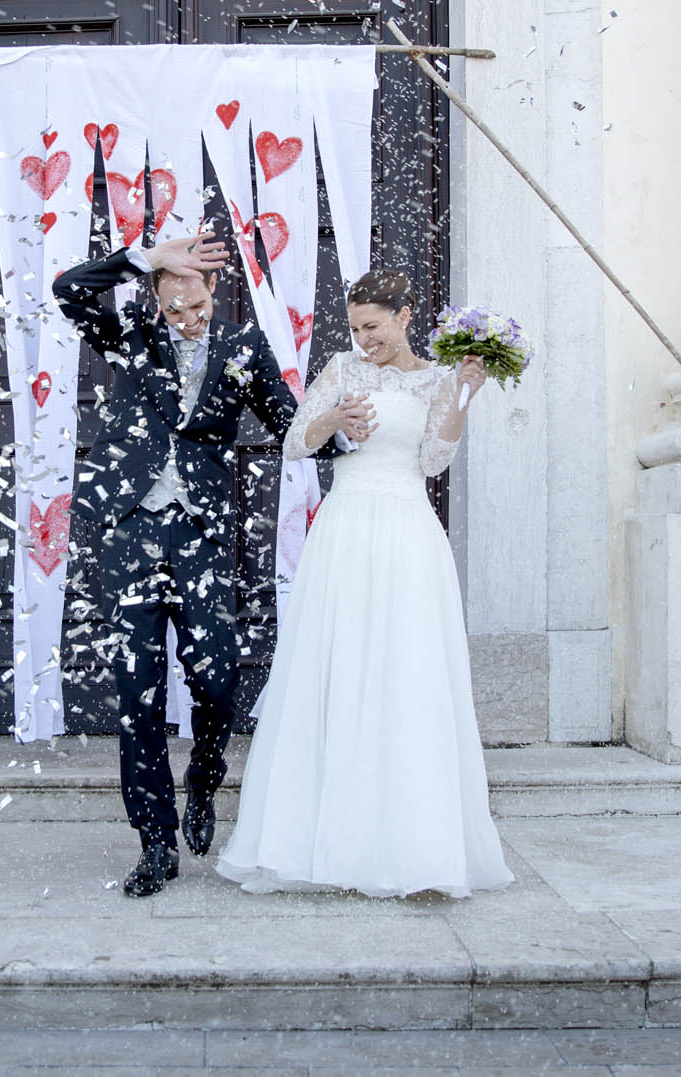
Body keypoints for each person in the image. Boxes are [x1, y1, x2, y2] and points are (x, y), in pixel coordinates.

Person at [217, 269, 514, 897]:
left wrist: (463, 396)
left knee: (406, 672)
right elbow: (296, 441)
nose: (363, 339)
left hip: (407, 530)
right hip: (347, 527)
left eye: (372, 327)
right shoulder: (342, 369)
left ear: (405, 318)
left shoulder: (437, 377)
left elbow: (434, 459)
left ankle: (409, 842)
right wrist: (334, 419)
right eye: (354, 328)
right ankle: (322, 839)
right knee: (339, 667)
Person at [54, 230, 305, 897]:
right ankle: (155, 840)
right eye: (174, 307)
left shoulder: (243, 347)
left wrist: (354, 431)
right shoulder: (133, 332)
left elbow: (292, 426)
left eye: (196, 306)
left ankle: (205, 771)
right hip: (130, 530)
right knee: (137, 694)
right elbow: (69, 292)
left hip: (199, 535)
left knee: (217, 676)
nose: (188, 318)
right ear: (158, 299)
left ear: (212, 291)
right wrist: (143, 257)